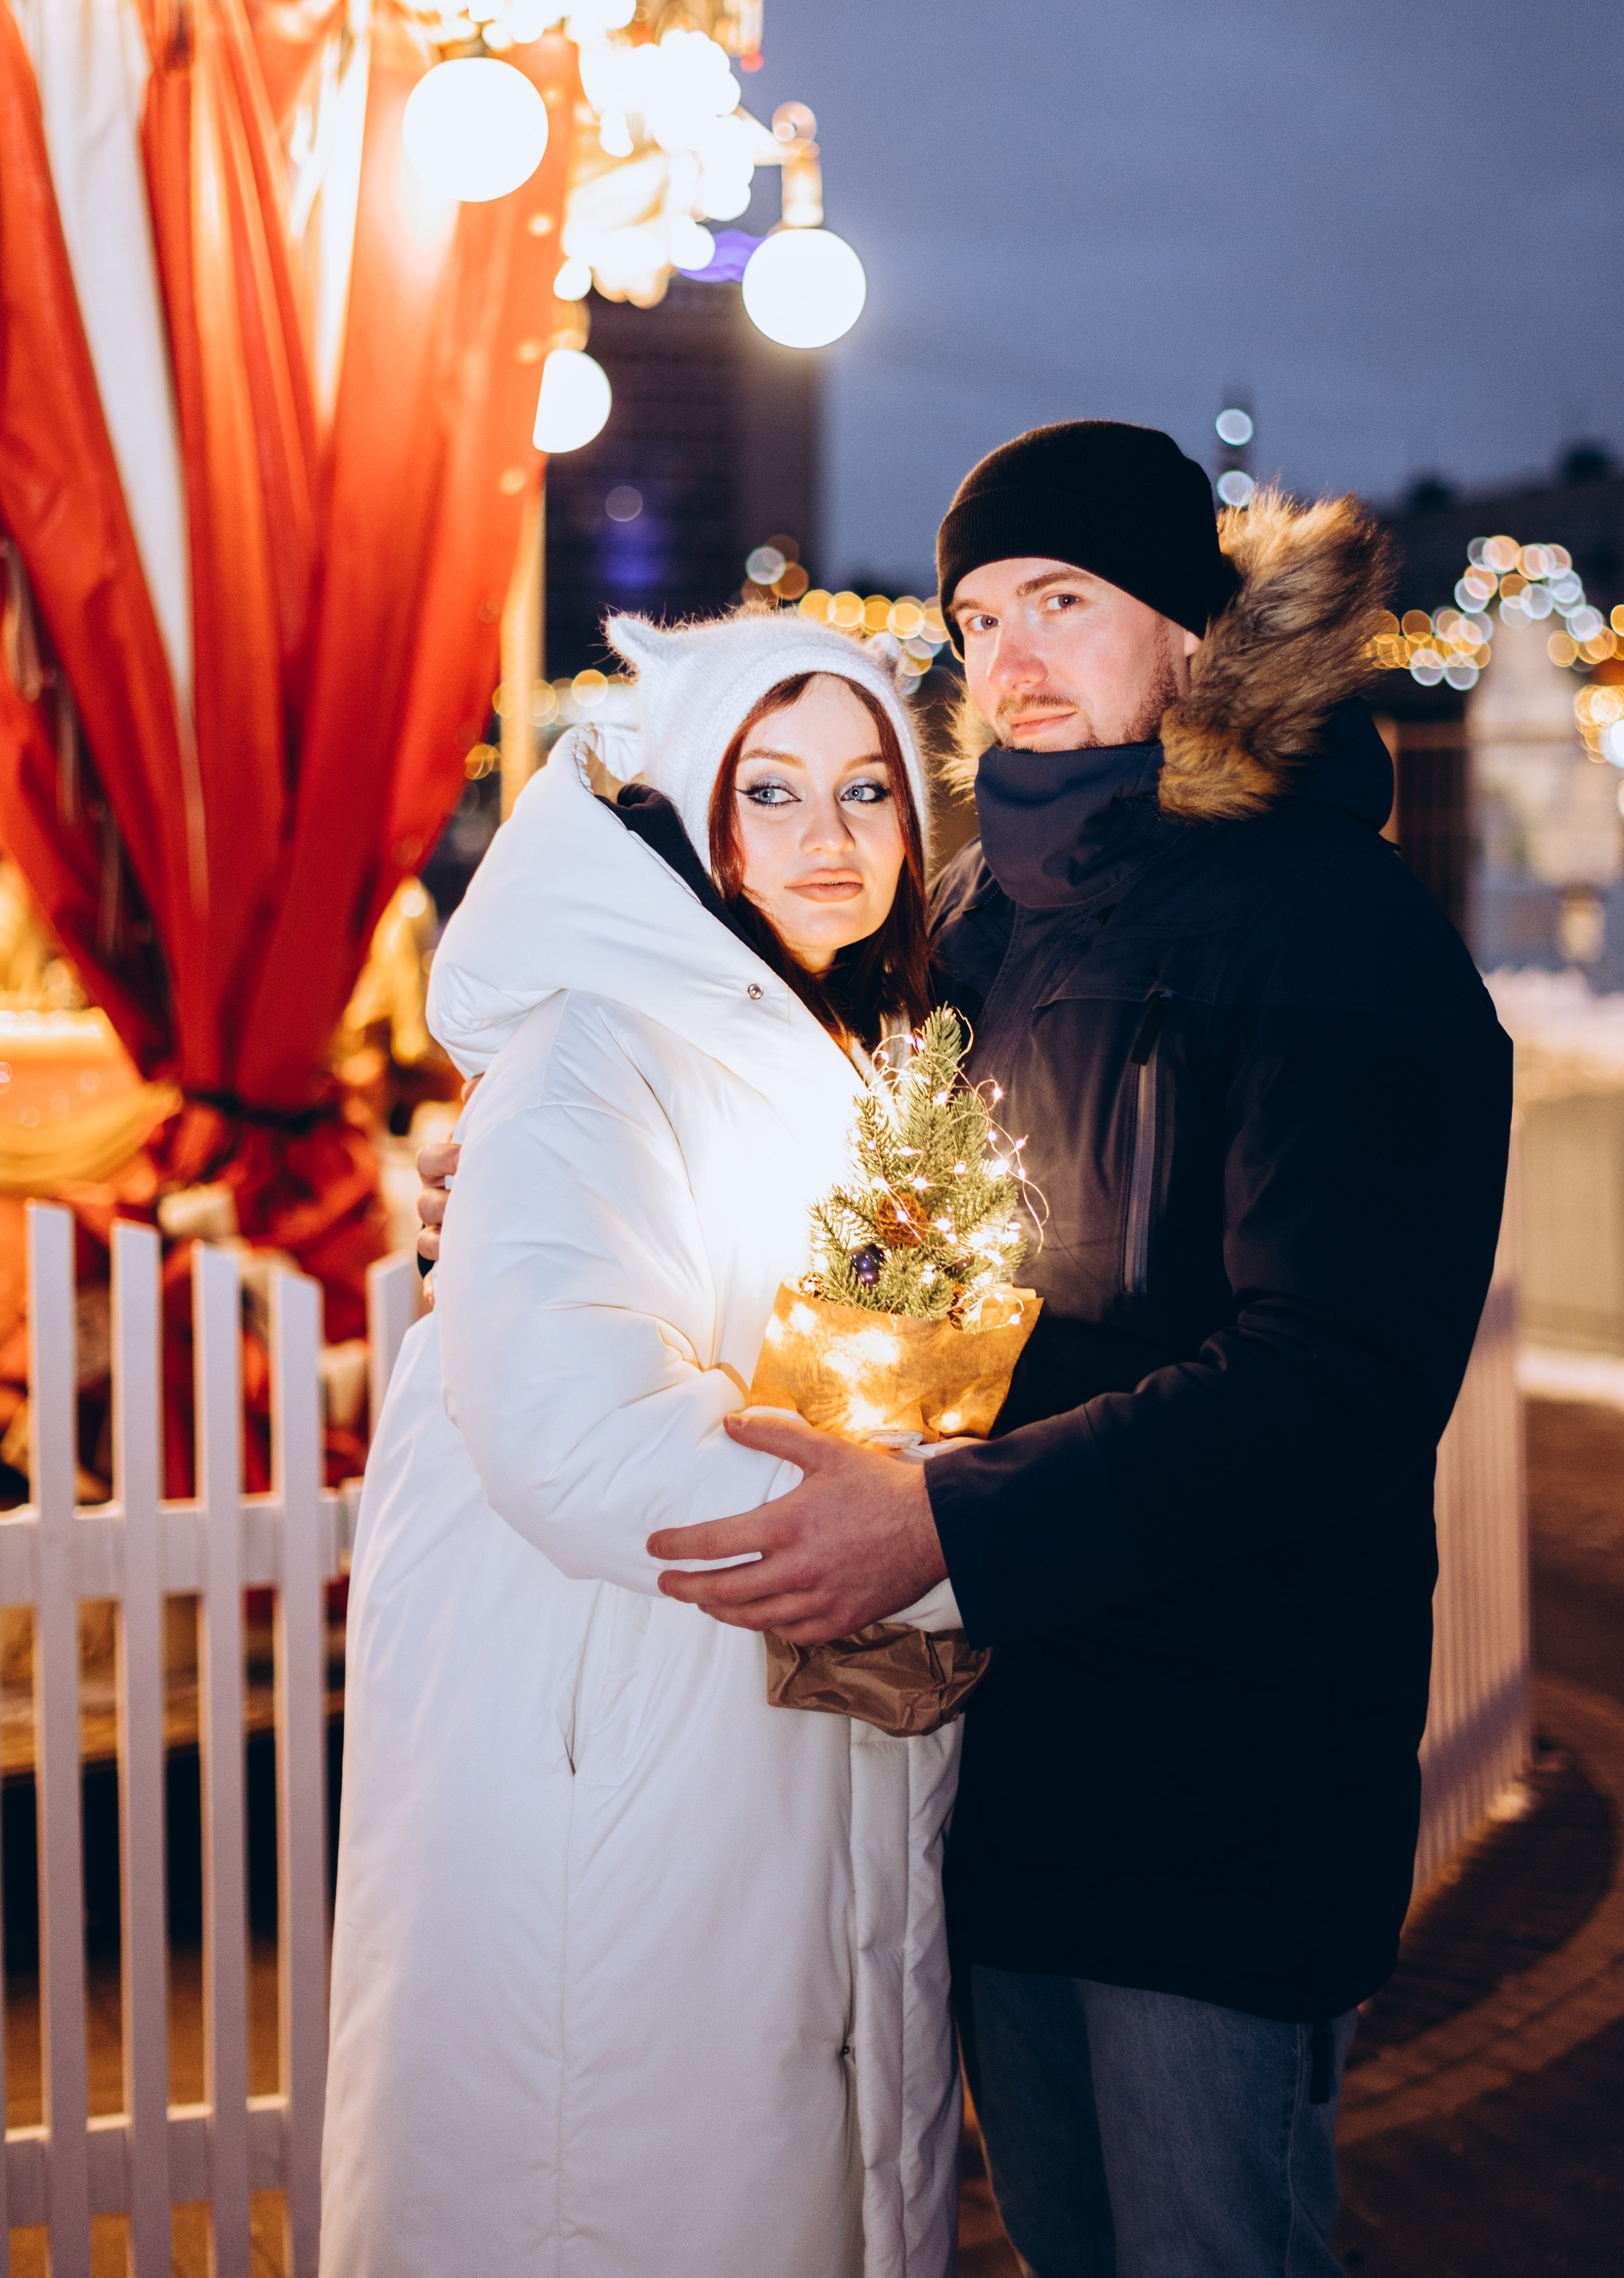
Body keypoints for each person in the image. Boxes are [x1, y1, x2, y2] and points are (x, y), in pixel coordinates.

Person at [648, 421, 1516, 2278]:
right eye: (977, 619)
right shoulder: (973, 918)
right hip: (1003, 1744)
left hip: (1227, 1760)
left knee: (1207, 2243)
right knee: (1058, 2236)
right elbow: (824, 1165)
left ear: (1190, 632)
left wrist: (948, 1526)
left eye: (1061, 600)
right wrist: (546, 1160)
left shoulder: (1332, 931)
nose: (1011, 658)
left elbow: (1334, 1384)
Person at [321, 609, 967, 2278]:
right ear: (691, 803)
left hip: (751, 1720)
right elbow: (569, 1421)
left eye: (866, 791)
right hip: (613, 1735)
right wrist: (914, 1544)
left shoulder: (838, 1038)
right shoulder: (597, 1043)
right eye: (772, 789)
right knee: (605, 2181)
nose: (829, 837)